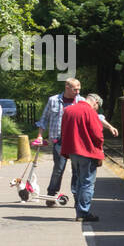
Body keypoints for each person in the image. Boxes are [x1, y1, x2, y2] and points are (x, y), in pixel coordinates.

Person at [34, 78, 82, 207]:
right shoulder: (53, 100)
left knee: (76, 170)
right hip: (59, 140)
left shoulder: (81, 101)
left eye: (79, 89)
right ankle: (51, 195)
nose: (77, 92)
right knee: (59, 168)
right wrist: (39, 136)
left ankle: (78, 198)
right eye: (75, 89)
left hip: (76, 141)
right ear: (67, 87)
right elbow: (44, 119)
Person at [59, 92, 104, 223]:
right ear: (95, 102)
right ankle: (83, 212)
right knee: (87, 183)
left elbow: (64, 130)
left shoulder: (68, 110)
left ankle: (79, 209)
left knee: (78, 180)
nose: (96, 109)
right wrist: (100, 150)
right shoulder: (90, 112)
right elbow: (98, 135)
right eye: (97, 106)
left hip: (73, 152)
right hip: (87, 152)